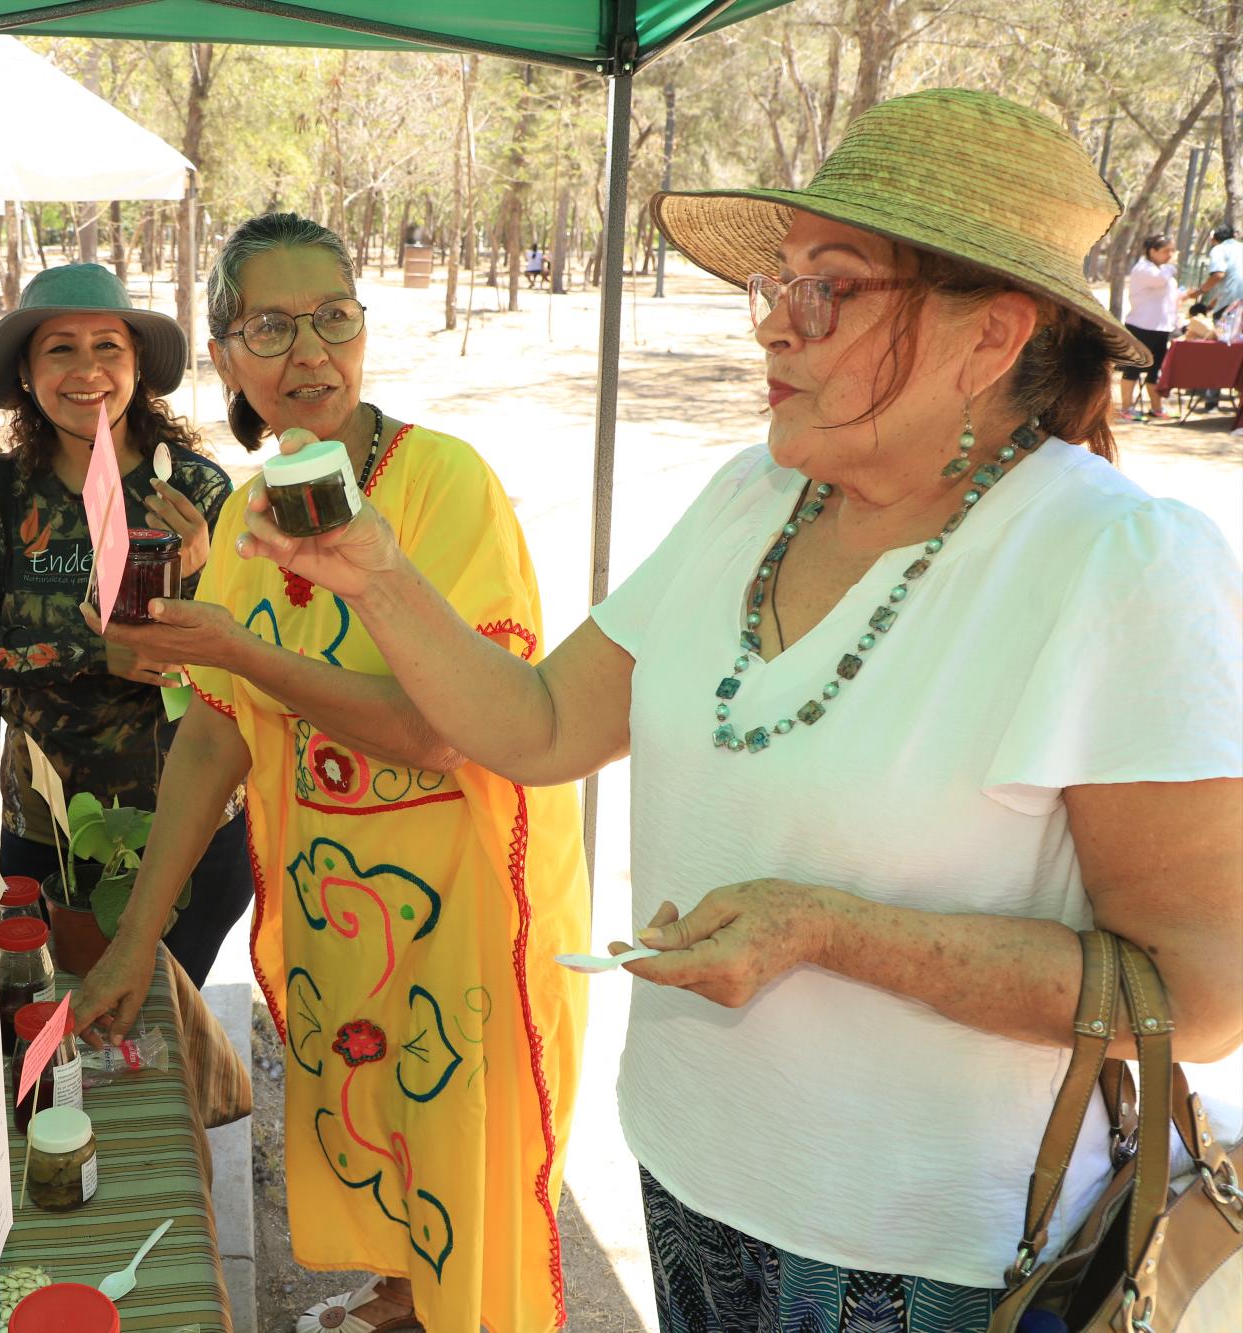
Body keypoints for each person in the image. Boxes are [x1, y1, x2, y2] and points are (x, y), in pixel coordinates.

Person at [226, 92, 1242, 1331]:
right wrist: (377, 574)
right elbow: (541, 726)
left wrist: (827, 929)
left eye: (831, 287)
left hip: (932, 1256)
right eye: (776, 282)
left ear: (991, 337)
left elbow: (1196, 996)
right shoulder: (751, 496)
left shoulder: (1118, 562)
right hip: (691, 1174)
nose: (775, 327)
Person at [72, 214, 586, 1333]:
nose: (308, 354)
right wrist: (135, 939)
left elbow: (440, 733)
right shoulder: (237, 508)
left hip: (457, 914)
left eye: (333, 318)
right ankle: (400, 1299)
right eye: (271, 325)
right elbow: (214, 737)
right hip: (337, 907)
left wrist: (246, 656)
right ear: (224, 355)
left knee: (457, 1152)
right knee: (370, 1119)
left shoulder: (444, 484)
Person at [0, 263, 253, 987]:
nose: (88, 370)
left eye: (108, 346)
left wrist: (200, 571)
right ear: (25, 371)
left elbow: (244, 657)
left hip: (189, 821)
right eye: (60, 349)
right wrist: (95, 650)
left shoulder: (197, 489)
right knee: (50, 1016)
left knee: (156, 1028)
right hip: (41, 825)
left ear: (138, 364)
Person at [1119, 234, 1177, 421]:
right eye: (1166, 251)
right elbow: (1160, 279)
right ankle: (1126, 407)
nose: (1170, 255)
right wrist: (1171, 267)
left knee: (1156, 370)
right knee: (1133, 368)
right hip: (1141, 326)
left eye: (1172, 251)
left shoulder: (1163, 270)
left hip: (1161, 327)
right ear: (1152, 251)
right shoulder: (1143, 268)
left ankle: (1156, 407)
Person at [1189, 222, 1243, 322]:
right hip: (1235, 302)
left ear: (1214, 238)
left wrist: (1200, 291)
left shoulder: (1219, 249)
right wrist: (1210, 306)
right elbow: (1234, 282)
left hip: (1231, 307)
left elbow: (1218, 275)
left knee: (1223, 335)